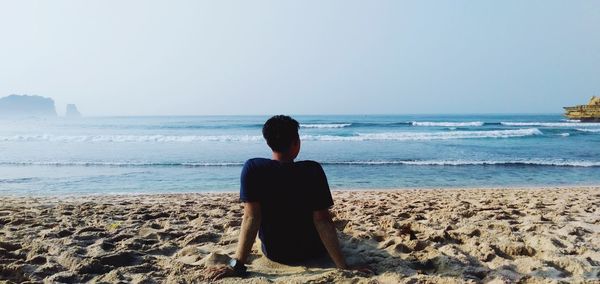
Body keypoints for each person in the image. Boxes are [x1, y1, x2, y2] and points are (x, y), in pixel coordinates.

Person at [206, 115, 360, 280]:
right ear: (296, 142)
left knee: (259, 236)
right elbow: (322, 221)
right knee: (330, 224)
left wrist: (237, 264)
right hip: (313, 250)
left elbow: (251, 218)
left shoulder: (253, 169)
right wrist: (344, 267)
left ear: (268, 142)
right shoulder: (312, 170)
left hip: (276, 253)